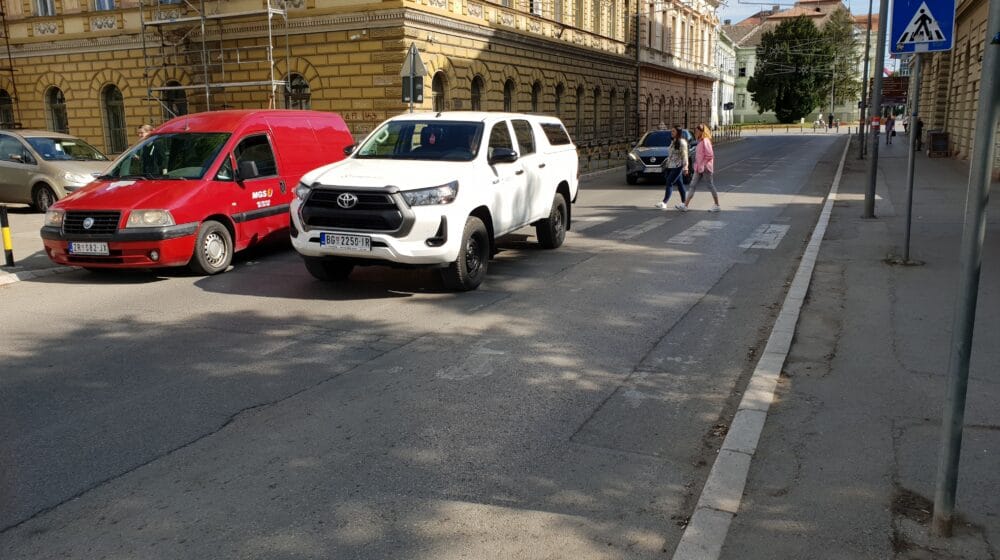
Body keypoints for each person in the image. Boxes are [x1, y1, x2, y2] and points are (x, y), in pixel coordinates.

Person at [676, 123, 719, 212]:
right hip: (698, 168)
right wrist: (697, 165)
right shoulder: (700, 141)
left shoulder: (706, 141)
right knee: (692, 185)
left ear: (702, 132)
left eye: (698, 131)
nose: (696, 132)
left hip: (706, 168)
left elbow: (709, 155)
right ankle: (685, 205)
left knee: (710, 185)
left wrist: (702, 165)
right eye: (696, 131)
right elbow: (699, 155)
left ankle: (717, 205)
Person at [654, 126, 688, 210]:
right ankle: (684, 204)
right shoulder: (674, 141)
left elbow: (685, 155)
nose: (671, 133)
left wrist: (685, 167)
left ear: (678, 132)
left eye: (673, 131)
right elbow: (671, 155)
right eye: (671, 131)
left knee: (669, 182)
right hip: (671, 166)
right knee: (680, 184)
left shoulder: (682, 142)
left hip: (677, 166)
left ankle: (664, 202)